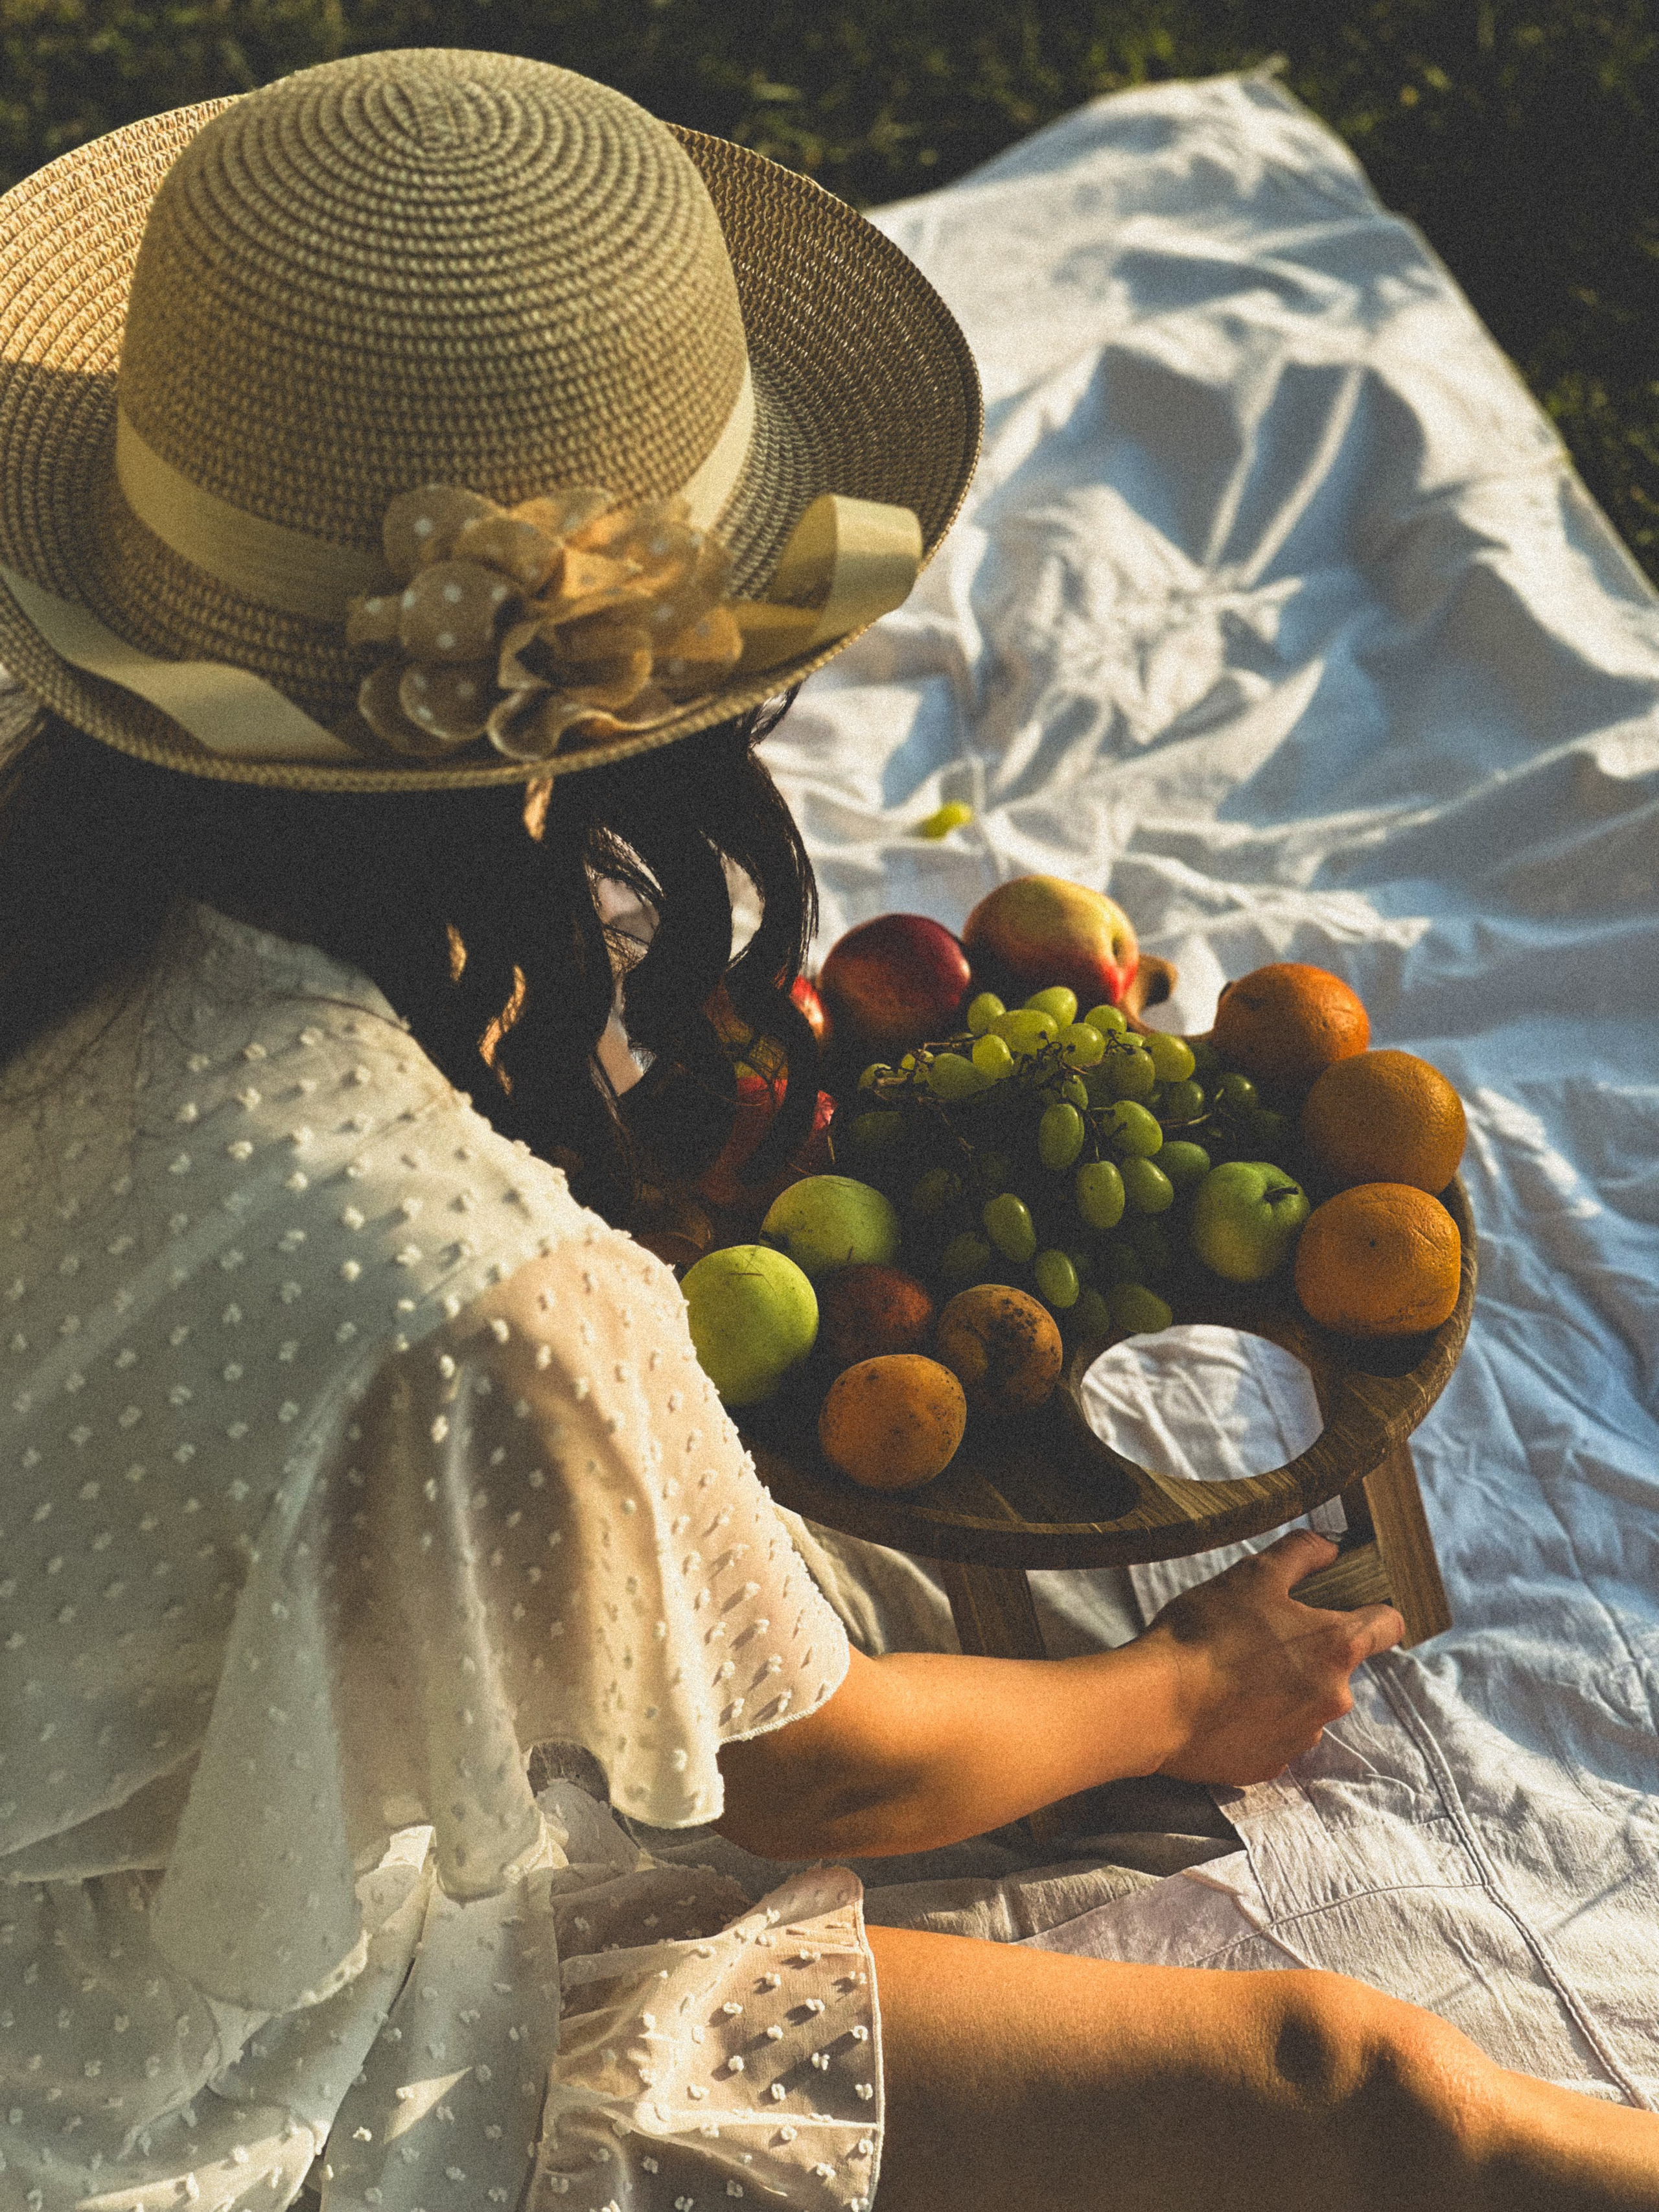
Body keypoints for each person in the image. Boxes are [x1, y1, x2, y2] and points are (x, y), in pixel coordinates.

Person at [1, 47, 1654, 2212]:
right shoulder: (471, 1276)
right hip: (151, 2091)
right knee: (1352, 2088)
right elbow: (816, 1775)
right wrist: (1188, 1687)